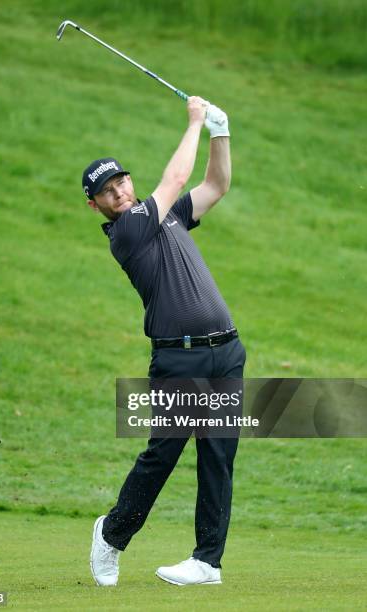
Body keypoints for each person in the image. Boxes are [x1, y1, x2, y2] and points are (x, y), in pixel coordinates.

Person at [83, 97, 246, 586]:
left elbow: (215, 186)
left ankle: (206, 562)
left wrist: (221, 134)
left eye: (122, 182)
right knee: (164, 456)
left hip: (227, 350)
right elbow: (174, 179)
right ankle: (111, 536)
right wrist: (195, 121)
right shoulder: (127, 231)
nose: (119, 193)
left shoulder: (168, 216)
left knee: (219, 455)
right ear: (96, 205)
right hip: (179, 358)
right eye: (108, 192)